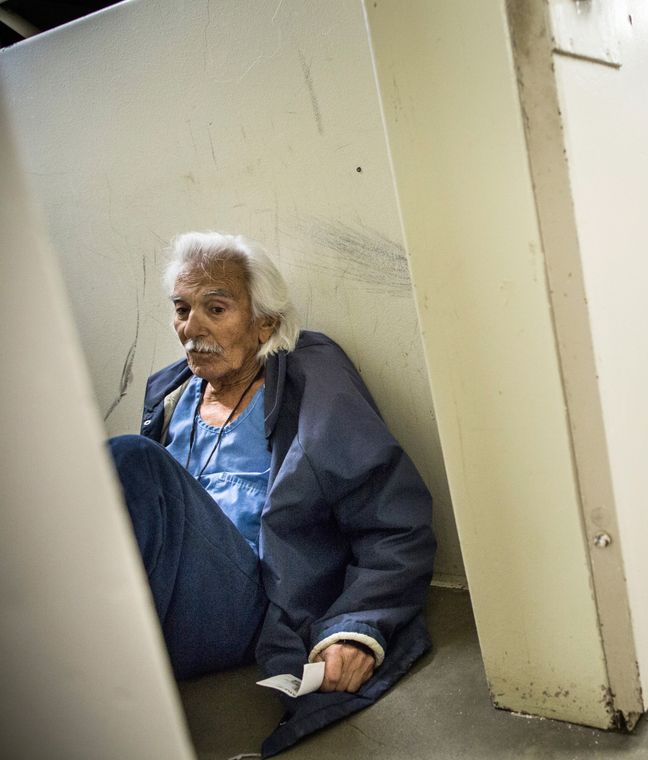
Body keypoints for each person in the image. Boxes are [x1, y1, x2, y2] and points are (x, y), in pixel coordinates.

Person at [108, 231, 436, 756]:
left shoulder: (311, 388)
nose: (191, 329)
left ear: (266, 323)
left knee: (129, 458)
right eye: (181, 309)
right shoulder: (173, 393)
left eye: (215, 308)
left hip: (252, 603)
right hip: (159, 593)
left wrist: (356, 628)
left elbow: (391, 519)